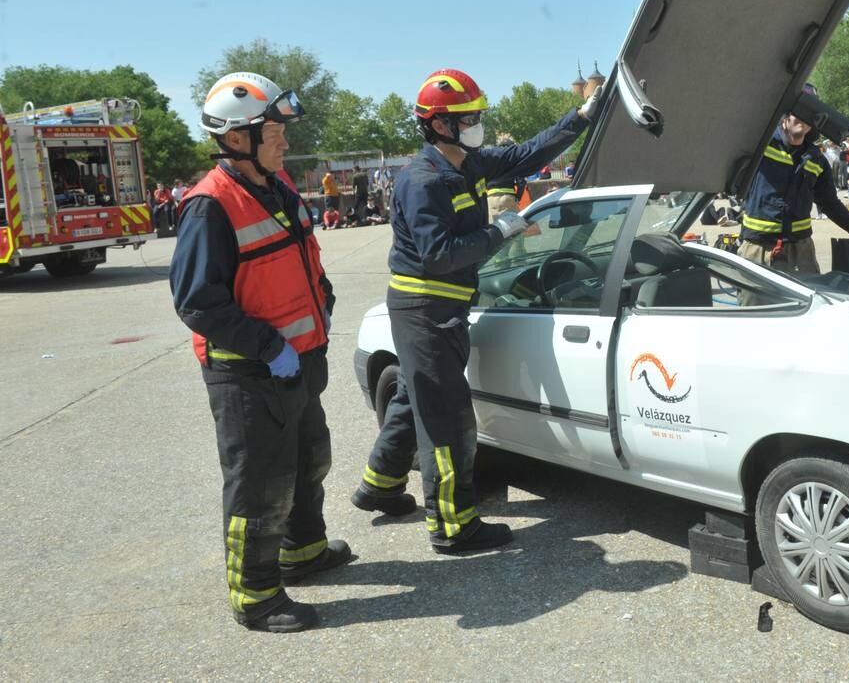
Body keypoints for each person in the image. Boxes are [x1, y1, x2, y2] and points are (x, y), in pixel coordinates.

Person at [353, 68, 601, 554]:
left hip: (439, 306)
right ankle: (452, 526)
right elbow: (440, 255)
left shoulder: (467, 163)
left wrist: (582, 117)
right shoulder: (422, 181)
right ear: (440, 126)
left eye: (478, 116)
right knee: (446, 416)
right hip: (424, 308)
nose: (478, 124)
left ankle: (378, 485)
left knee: (413, 396)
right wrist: (502, 231)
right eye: (469, 118)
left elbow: (526, 153)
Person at [169, 72, 347, 633]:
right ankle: (257, 594)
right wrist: (271, 347)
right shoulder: (209, 205)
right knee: (259, 484)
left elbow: (300, 256)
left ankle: (303, 551)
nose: (284, 141)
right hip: (250, 371)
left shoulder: (277, 184)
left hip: (299, 361)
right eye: (274, 131)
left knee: (308, 460)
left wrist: (324, 302)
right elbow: (198, 303)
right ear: (238, 138)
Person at [739, 103, 849, 273]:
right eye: (800, 113)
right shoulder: (760, 145)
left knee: (809, 299)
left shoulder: (816, 159)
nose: (804, 119)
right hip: (758, 250)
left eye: (809, 116)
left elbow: (830, 204)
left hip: (802, 253)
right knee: (758, 300)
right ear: (785, 117)